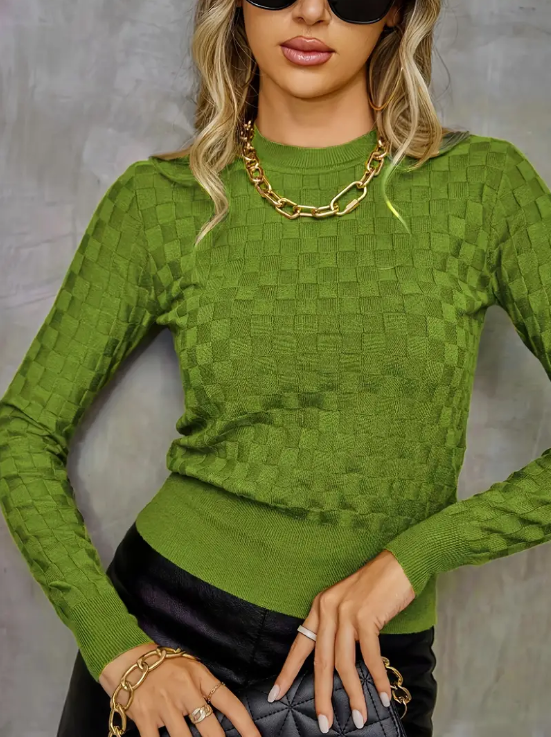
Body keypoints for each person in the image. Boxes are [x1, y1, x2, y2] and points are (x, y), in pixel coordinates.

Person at [2, 0, 551, 735]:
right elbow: (23, 430)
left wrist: (418, 555)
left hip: (363, 665)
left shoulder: (483, 188)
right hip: (168, 629)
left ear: (395, 11)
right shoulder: (161, 202)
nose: (311, 10)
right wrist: (120, 651)